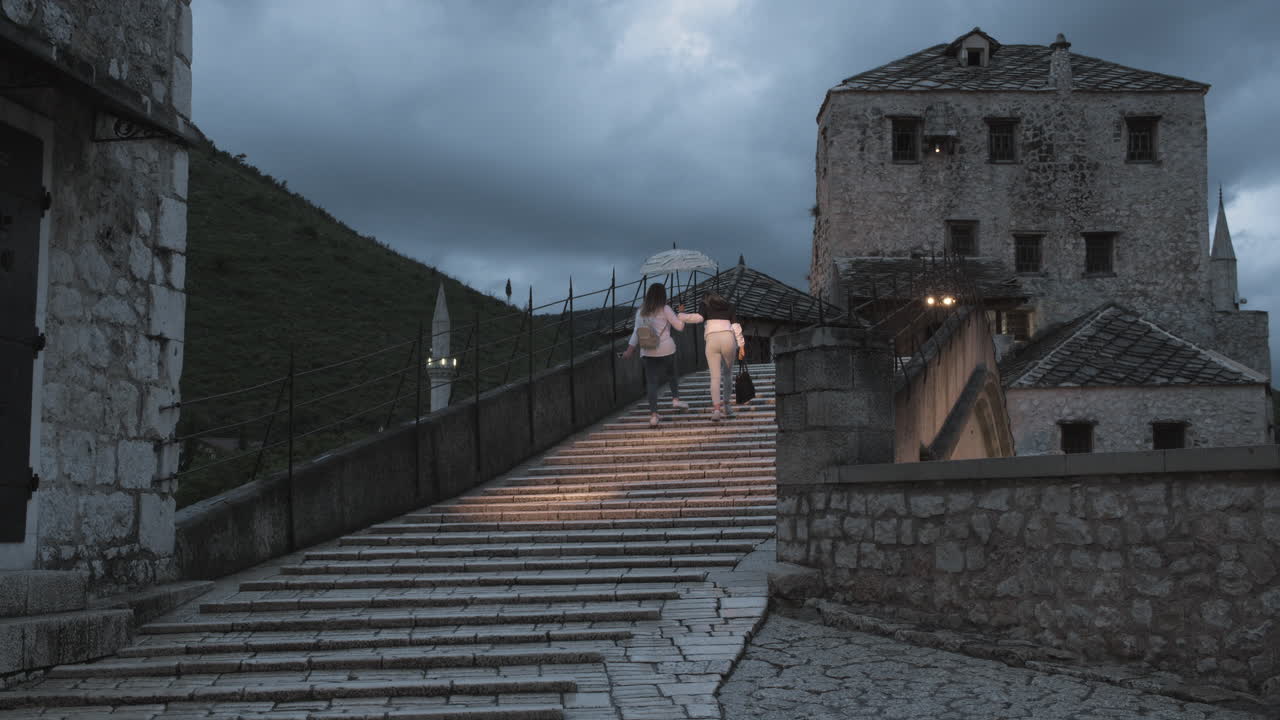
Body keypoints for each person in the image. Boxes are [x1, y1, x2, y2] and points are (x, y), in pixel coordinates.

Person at [621, 283, 702, 427]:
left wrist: (629, 350)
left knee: (652, 383)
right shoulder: (665, 309)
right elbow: (680, 327)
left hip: (647, 350)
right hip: (666, 349)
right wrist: (681, 314)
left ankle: (653, 415)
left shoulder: (641, 311)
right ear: (662, 295)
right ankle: (676, 400)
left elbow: (636, 331)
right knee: (672, 375)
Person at [700, 292, 746, 421]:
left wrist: (682, 314)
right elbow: (736, 326)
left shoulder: (705, 306)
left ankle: (716, 410)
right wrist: (741, 345)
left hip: (712, 340)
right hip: (728, 339)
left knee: (715, 377)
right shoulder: (730, 306)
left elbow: (699, 319)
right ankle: (727, 407)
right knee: (727, 374)